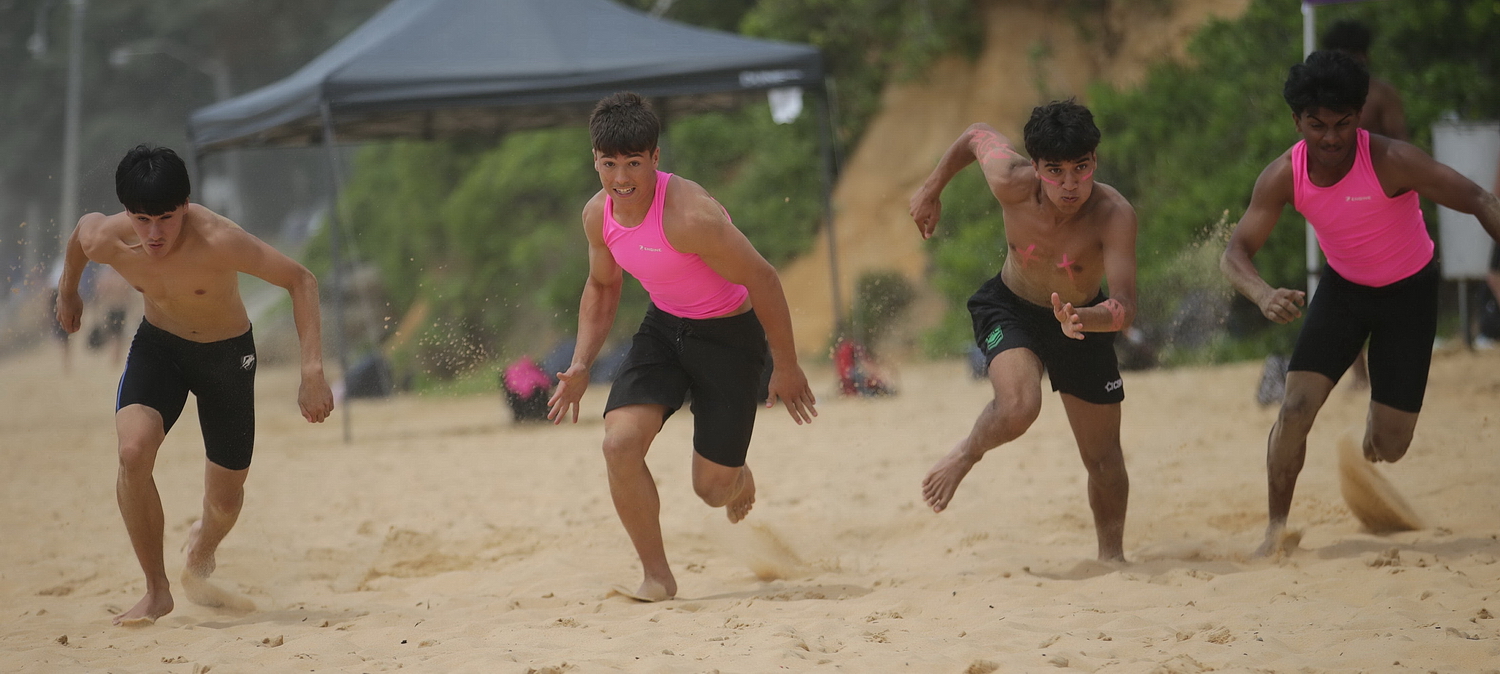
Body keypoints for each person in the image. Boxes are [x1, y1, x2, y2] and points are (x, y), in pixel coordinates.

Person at [1220, 51, 1500, 557]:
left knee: (1390, 447)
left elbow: (1480, 200)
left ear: (1359, 116)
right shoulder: (1284, 174)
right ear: (1297, 121)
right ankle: (1275, 532)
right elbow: (1234, 252)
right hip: (1344, 292)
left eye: (1343, 123)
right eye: (1317, 125)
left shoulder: (1393, 160)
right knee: (1294, 410)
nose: (1331, 137)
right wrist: (1263, 294)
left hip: (1409, 294)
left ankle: (1373, 432)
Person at [547, 93, 817, 601]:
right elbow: (603, 285)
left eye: (633, 163)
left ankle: (737, 478)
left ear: (655, 158)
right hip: (664, 328)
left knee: (711, 490)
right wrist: (581, 363)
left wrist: (786, 365)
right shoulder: (597, 216)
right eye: (609, 164)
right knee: (618, 445)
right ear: (595, 160)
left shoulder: (690, 218)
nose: (621, 178)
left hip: (729, 337)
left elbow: (763, 278)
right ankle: (657, 577)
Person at [55, 145, 334, 625]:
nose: (155, 233)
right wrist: (68, 293)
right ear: (127, 212)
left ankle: (203, 546)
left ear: (185, 205)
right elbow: (81, 236)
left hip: (226, 357)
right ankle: (156, 590)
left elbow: (300, 280)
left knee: (224, 500)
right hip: (159, 348)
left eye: (166, 218)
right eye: (143, 219)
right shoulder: (106, 238)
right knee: (132, 452)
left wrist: (311, 371)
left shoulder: (220, 240)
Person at [909, 100, 1139, 562]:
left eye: (1081, 168)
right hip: (1011, 308)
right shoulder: (1010, 180)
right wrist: (931, 189)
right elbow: (975, 133)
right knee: (1019, 406)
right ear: (1034, 167)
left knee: (1104, 460)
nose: (1070, 185)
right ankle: (967, 453)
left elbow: (1125, 306)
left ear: (1095, 160)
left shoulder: (1113, 213)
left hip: (1083, 321)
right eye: (1055, 171)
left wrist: (1084, 319)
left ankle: (1111, 559)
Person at [1324, 19, 1409, 389]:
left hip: (1379, 197)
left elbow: (1401, 145)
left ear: (1362, 57)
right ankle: (1360, 374)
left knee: (1387, 285)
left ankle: (1380, 368)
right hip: (1341, 201)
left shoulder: (1380, 94)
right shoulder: (1328, 99)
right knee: (1346, 282)